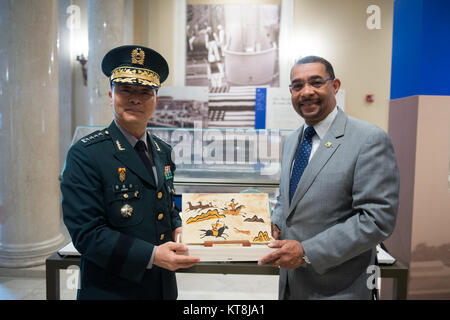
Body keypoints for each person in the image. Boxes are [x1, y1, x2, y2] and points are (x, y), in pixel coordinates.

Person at [60, 45, 200, 300]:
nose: (136, 98)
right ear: (110, 93)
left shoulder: (162, 151)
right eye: (126, 89)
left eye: (145, 91)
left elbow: (166, 208)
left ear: (156, 99)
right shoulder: (86, 154)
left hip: (162, 288)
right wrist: (152, 255)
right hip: (111, 289)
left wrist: (179, 228)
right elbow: (87, 233)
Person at [258, 56, 400, 299]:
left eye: (315, 82)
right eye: (298, 86)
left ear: (334, 86)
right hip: (291, 284)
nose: (306, 92)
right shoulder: (293, 140)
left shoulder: (368, 139)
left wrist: (306, 251)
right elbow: (287, 199)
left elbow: (377, 220)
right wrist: (276, 223)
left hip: (340, 287)